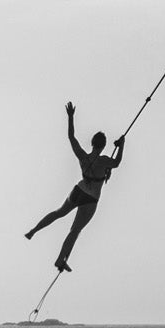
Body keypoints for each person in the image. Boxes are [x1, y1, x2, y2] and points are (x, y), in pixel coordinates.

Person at [24, 101, 126, 273]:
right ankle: (59, 259)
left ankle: (34, 230)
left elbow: (72, 138)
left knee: (58, 213)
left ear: (93, 143)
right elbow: (117, 162)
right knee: (75, 230)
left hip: (78, 191)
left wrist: (71, 117)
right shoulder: (104, 161)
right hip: (90, 199)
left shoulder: (83, 157)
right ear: (103, 145)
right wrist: (122, 145)